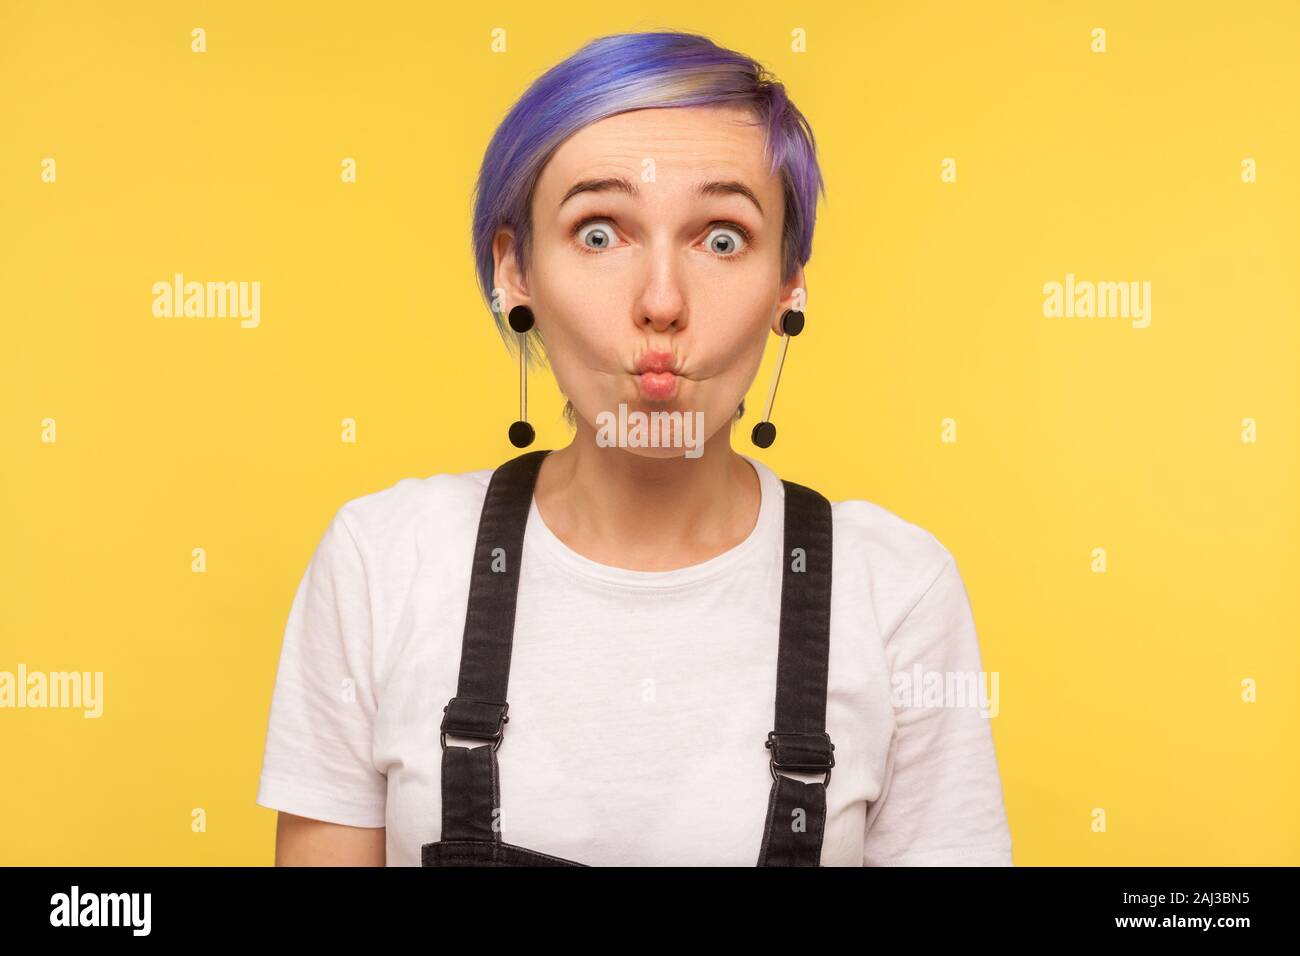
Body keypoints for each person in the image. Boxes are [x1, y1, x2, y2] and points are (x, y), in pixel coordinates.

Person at [255, 30, 1013, 866]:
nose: (661, 302)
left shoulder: (899, 590)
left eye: (721, 238)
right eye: (599, 232)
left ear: (787, 285)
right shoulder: (381, 562)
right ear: (517, 272)